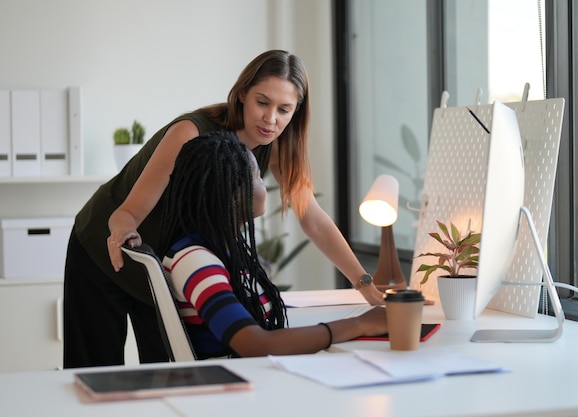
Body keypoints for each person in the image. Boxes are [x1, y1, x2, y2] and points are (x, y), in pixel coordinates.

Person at [63, 49, 385, 369]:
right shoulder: (191, 134)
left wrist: (366, 286)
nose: (271, 119)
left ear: (296, 111)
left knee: (164, 373)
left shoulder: (276, 147)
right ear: (242, 93)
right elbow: (128, 212)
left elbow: (312, 217)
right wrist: (122, 229)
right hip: (107, 250)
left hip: (164, 268)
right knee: (95, 372)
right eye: (262, 102)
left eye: (284, 109)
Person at [159, 133, 387, 358]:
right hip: (243, 383)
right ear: (235, 194)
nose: (265, 186)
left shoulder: (224, 249)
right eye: (258, 177)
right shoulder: (195, 260)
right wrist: (360, 325)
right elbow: (255, 344)